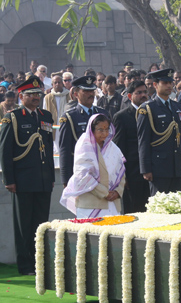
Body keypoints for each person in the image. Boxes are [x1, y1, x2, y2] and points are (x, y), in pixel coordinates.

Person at [0, 76, 55, 275]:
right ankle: (25, 265)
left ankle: (40, 263)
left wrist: (51, 177)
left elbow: (47, 147)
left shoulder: (46, 116)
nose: (35, 98)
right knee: (23, 224)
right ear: (21, 96)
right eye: (31, 95)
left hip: (42, 179)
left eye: (38, 94)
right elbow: (5, 151)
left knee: (41, 224)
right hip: (22, 180)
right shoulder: (12, 117)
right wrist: (9, 180)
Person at [60, 114, 125, 218]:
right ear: (92, 130)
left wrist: (117, 192)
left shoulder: (112, 147)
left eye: (107, 129)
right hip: (90, 205)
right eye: (100, 130)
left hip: (112, 203)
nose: (104, 133)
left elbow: (121, 172)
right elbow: (83, 176)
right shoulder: (84, 146)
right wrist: (105, 193)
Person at [137, 69, 181, 195]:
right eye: (164, 82)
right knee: (160, 206)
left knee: (177, 205)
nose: (169, 86)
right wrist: (145, 169)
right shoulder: (147, 109)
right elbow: (143, 141)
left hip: (176, 166)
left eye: (170, 82)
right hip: (158, 167)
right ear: (155, 85)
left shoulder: (177, 107)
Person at [59, 75, 110, 186]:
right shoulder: (69, 117)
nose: (91, 94)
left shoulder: (103, 114)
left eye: (92, 90)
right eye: (86, 91)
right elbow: (65, 150)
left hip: (102, 169)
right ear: (76, 94)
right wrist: (66, 179)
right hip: (81, 172)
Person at [112, 81, 150, 213]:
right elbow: (118, 149)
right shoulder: (122, 117)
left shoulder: (151, 112)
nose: (143, 95)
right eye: (139, 93)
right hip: (132, 172)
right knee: (134, 210)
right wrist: (123, 176)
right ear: (129, 96)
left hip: (152, 171)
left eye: (145, 92)